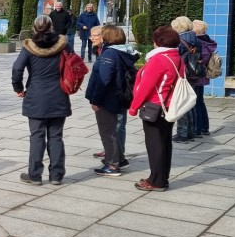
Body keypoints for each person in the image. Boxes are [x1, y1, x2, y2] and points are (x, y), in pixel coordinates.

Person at [11, 15, 71, 186]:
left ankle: (35, 175)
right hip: (59, 93)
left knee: (37, 136)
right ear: (52, 27)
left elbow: (17, 68)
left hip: (36, 95)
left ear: (34, 28)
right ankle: (56, 175)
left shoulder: (29, 47)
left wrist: (18, 88)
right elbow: (74, 64)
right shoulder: (63, 45)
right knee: (56, 136)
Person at [128, 26, 185, 192]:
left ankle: (156, 181)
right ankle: (161, 178)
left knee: (155, 145)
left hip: (155, 106)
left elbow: (146, 87)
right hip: (170, 106)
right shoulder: (177, 58)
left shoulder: (159, 60)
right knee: (164, 142)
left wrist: (133, 107)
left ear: (157, 42)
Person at [85, 25, 137, 177]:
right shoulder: (121, 51)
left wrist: (96, 100)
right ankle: (120, 159)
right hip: (116, 96)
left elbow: (104, 80)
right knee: (112, 130)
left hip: (107, 98)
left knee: (107, 132)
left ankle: (112, 165)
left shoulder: (109, 53)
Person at [171, 16, 201, 143]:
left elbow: (175, 58)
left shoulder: (179, 40)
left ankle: (182, 134)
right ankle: (190, 132)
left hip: (182, 75)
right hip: (194, 73)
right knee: (188, 104)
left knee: (181, 104)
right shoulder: (196, 39)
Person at [192, 20, 217, 137]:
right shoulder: (208, 42)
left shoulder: (199, 42)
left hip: (196, 75)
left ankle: (197, 129)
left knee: (196, 103)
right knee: (200, 101)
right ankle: (204, 127)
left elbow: (198, 58)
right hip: (202, 75)